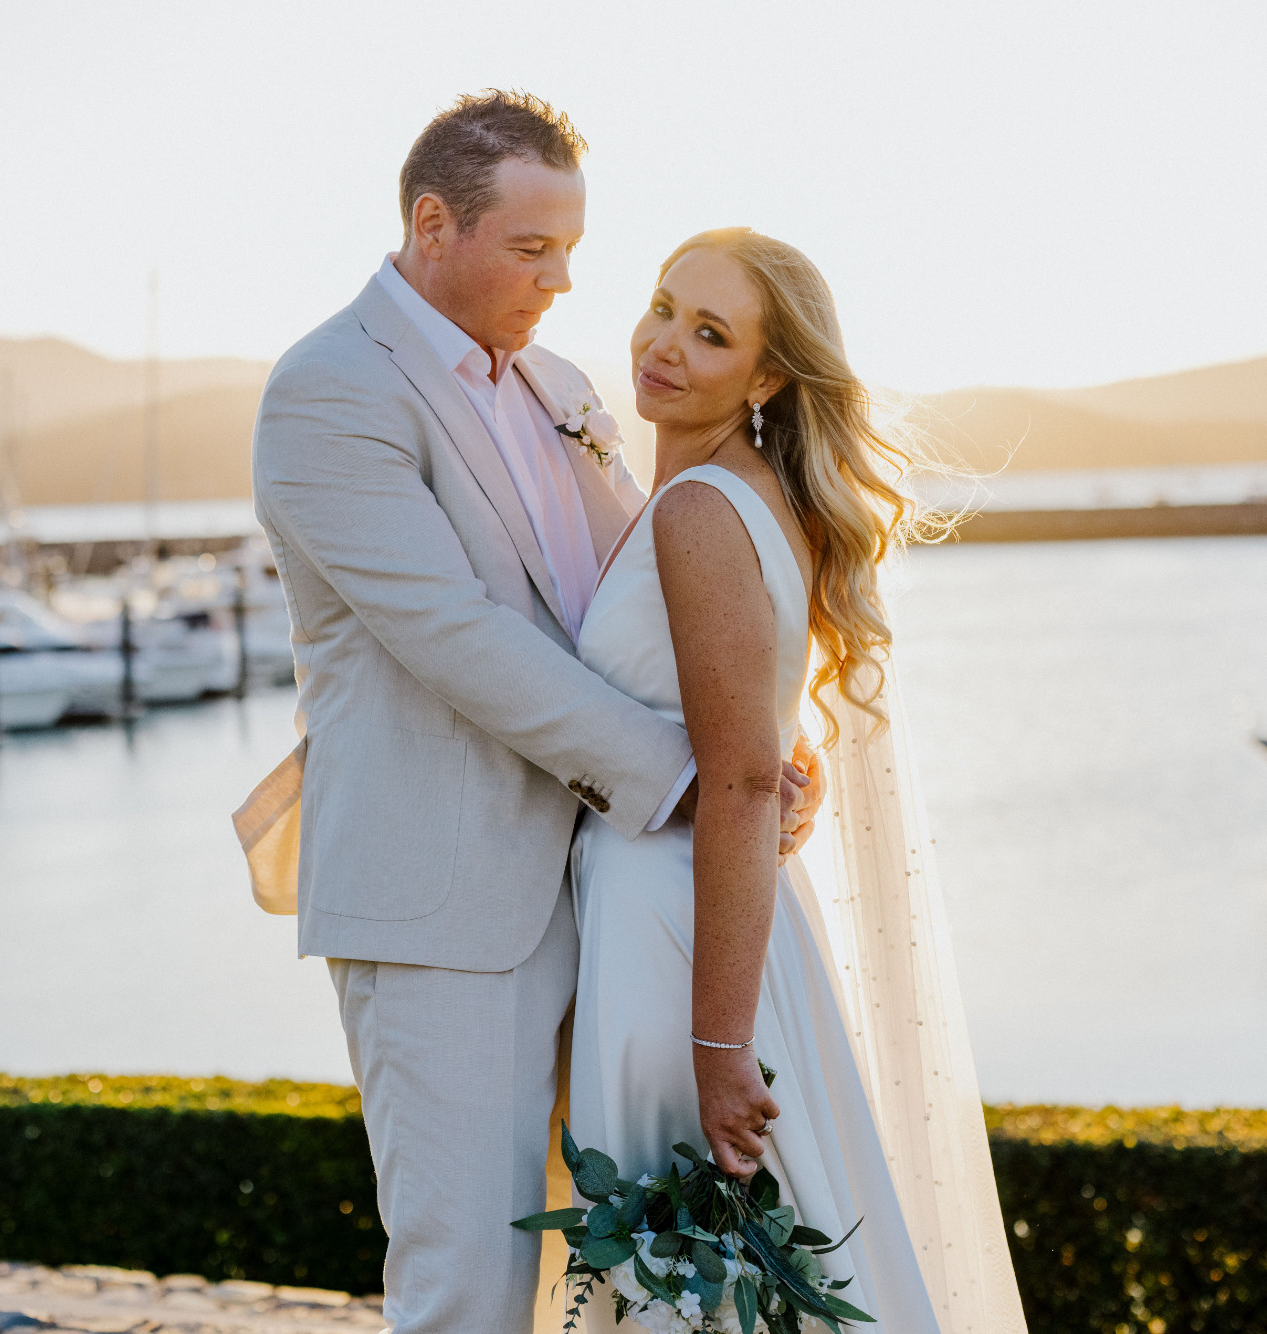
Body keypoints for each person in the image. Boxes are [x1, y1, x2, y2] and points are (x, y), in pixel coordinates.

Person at [240, 92, 821, 1334]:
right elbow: (453, 631)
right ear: (431, 224)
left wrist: (762, 747)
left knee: (608, 1290)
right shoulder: (329, 389)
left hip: (607, 894)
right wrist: (687, 776)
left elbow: (637, 610)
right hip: (443, 905)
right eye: (530, 248)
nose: (561, 281)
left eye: (570, 249)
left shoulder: (560, 384)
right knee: (469, 1286)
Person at [565, 229, 1027, 1330]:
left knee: (704, 1280)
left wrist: (718, 1048)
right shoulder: (759, 495)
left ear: (766, 377)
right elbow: (757, 735)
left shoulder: (699, 508)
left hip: (677, 939)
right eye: (663, 307)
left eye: (708, 334)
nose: (663, 344)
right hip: (721, 920)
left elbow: (737, 781)